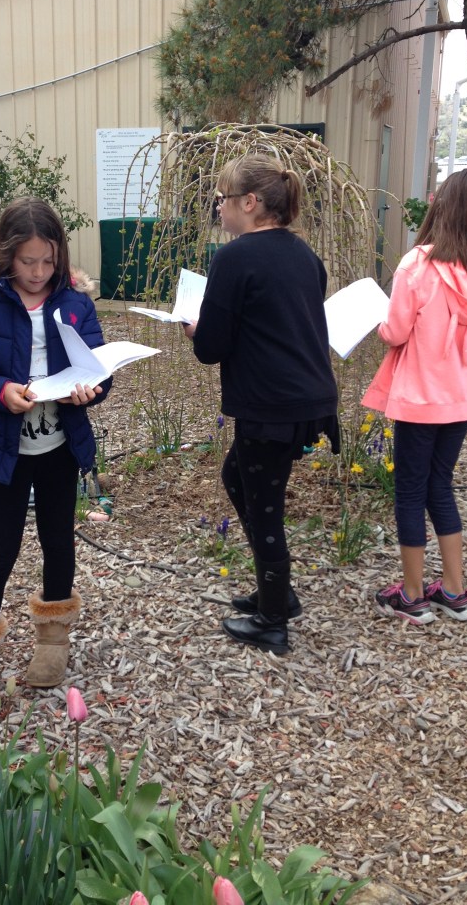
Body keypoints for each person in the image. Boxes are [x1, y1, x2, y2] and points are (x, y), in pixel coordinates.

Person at [0, 197, 111, 707]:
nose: (38, 272)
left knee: (58, 540)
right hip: (2, 450)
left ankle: (53, 642)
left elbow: (99, 368)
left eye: (48, 261)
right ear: (5, 253)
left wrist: (90, 389)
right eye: (28, 261)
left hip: (60, 447)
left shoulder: (74, 301)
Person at [183, 154, 339, 654]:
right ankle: (277, 593)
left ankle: (274, 620)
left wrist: (194, 329)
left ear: (249, 203)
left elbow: (212, 347)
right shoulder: (305, 255)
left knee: (264, 509)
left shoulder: (234, 258)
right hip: (309, 399)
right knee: (237, 479)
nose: (219, 207)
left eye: (223, 199)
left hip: (270, 407)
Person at [363, 169, 467, 624]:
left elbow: (395, 332)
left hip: (420, 396)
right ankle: (454, 590)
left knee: (409, 490)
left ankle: (412, 595)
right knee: (439, 485)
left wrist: (378, 319)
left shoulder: (418, 264)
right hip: (462, 395)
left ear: (442, 207)